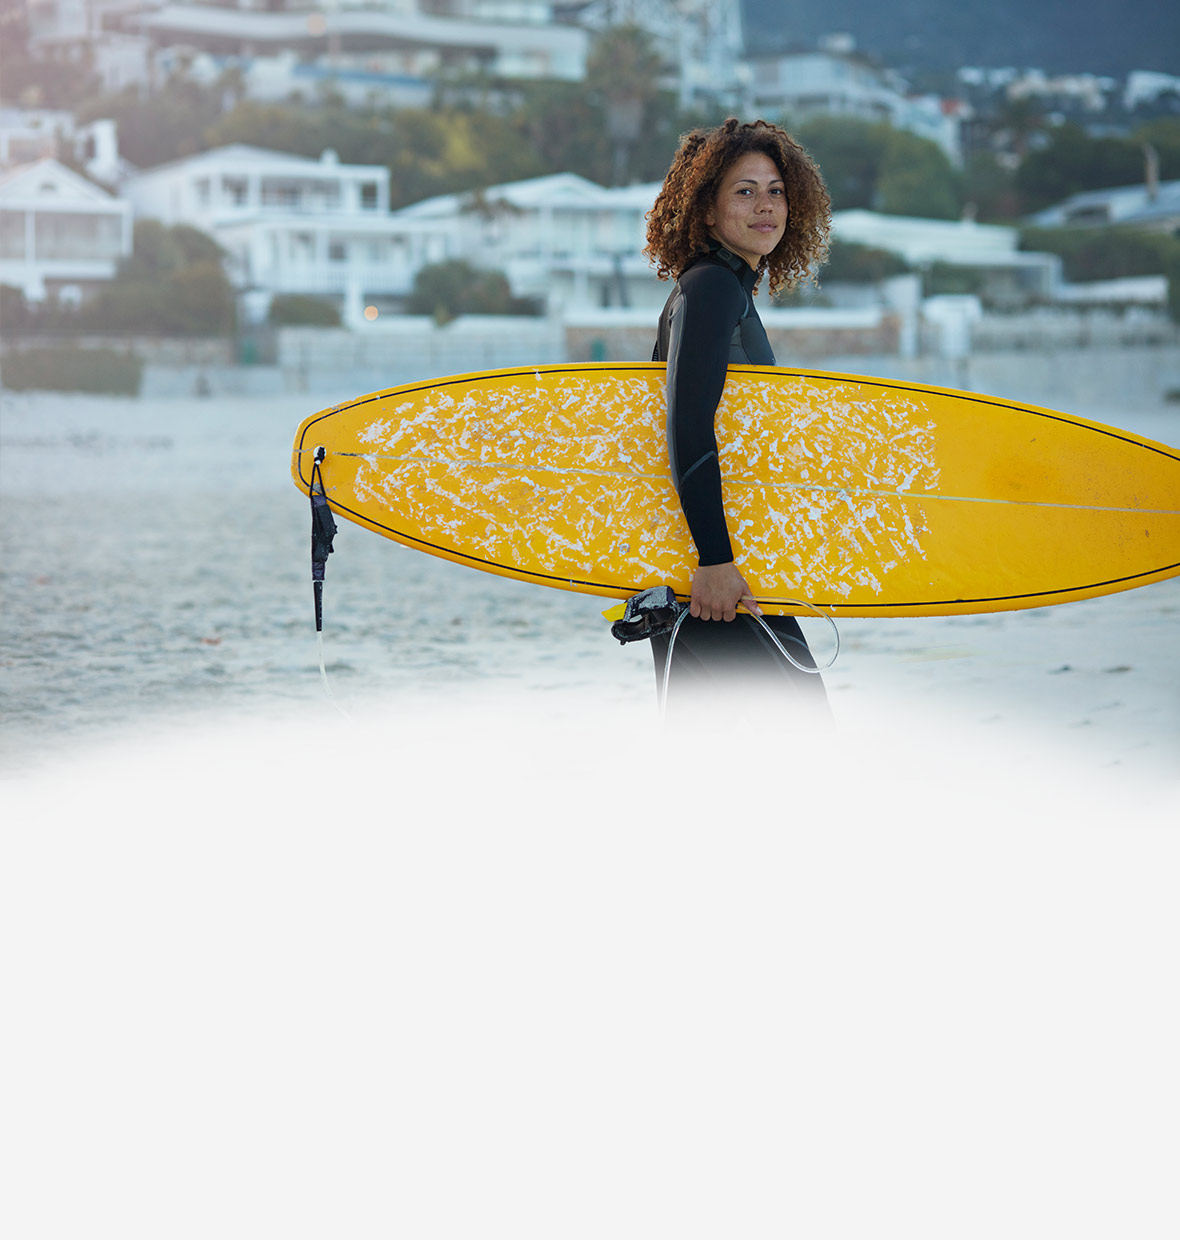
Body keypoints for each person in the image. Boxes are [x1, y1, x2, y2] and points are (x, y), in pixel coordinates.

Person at [643, 117, 833, 712]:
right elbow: (688, 424)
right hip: (713, 582)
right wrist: (716, 562)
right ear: (706, 209)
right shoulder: (714, 288)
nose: (765, 206)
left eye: (775, 190)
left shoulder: (713, 288)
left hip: (702, 576)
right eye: (744, 191)